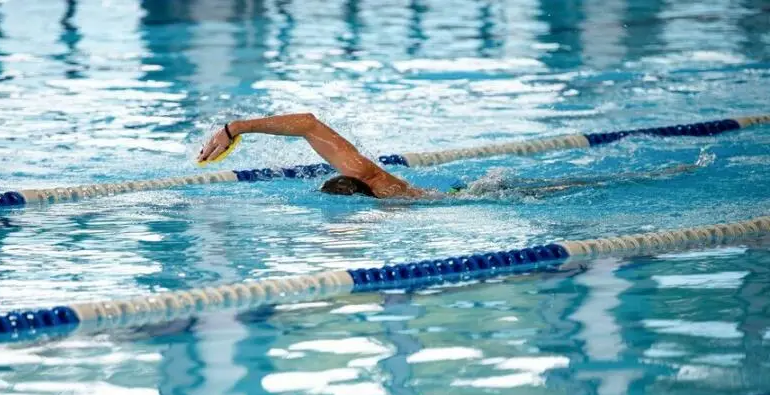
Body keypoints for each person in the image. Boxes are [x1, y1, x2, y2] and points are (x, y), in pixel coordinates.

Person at [197, 113, 698, 199]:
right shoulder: (367, 180)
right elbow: (307, 125)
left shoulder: (382, 187)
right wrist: (235, 128)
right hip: (462, 194)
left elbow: (306, 122)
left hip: (475, 196)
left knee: (587, 186)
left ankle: (674, 168)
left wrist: (234, 127)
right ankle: (670, 169)